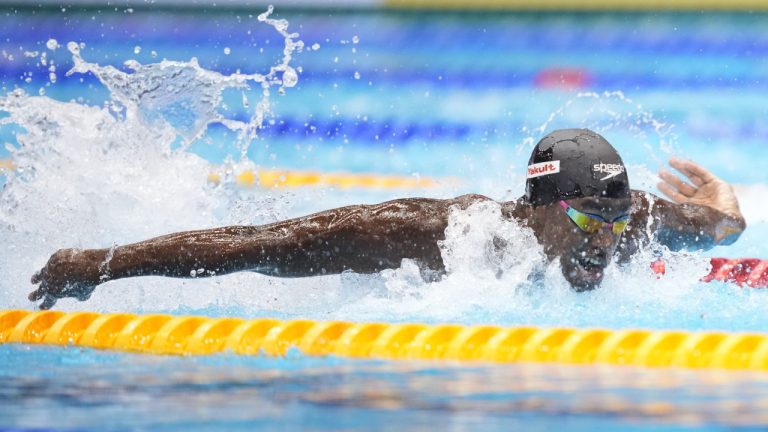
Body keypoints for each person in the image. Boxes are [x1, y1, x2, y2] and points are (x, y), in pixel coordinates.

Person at [29, 129, 746, 309]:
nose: (612, 239)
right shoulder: (438, 235)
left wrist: (729, 217)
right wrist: (99, 265)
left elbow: (715, 226)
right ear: (540, 211)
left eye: (619, 220)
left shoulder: (632, 222)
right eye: (592, 221)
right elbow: (257, 244)